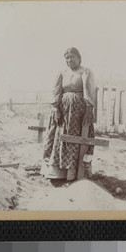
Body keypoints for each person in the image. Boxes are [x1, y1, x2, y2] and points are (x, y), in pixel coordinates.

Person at [41, 47, 96, 181]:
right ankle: (56, 172)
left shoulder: (86, 71)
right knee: (57, 136)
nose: (69, 60)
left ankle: (73, 173)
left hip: (78, 112)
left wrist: (89, 109)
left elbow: (89, 90)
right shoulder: (62, 72)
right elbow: (56, 90)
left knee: (76, 138)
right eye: (67, 57)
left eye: (72, 57)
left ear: (79, 58)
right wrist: (55, 107)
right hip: (63, 110)